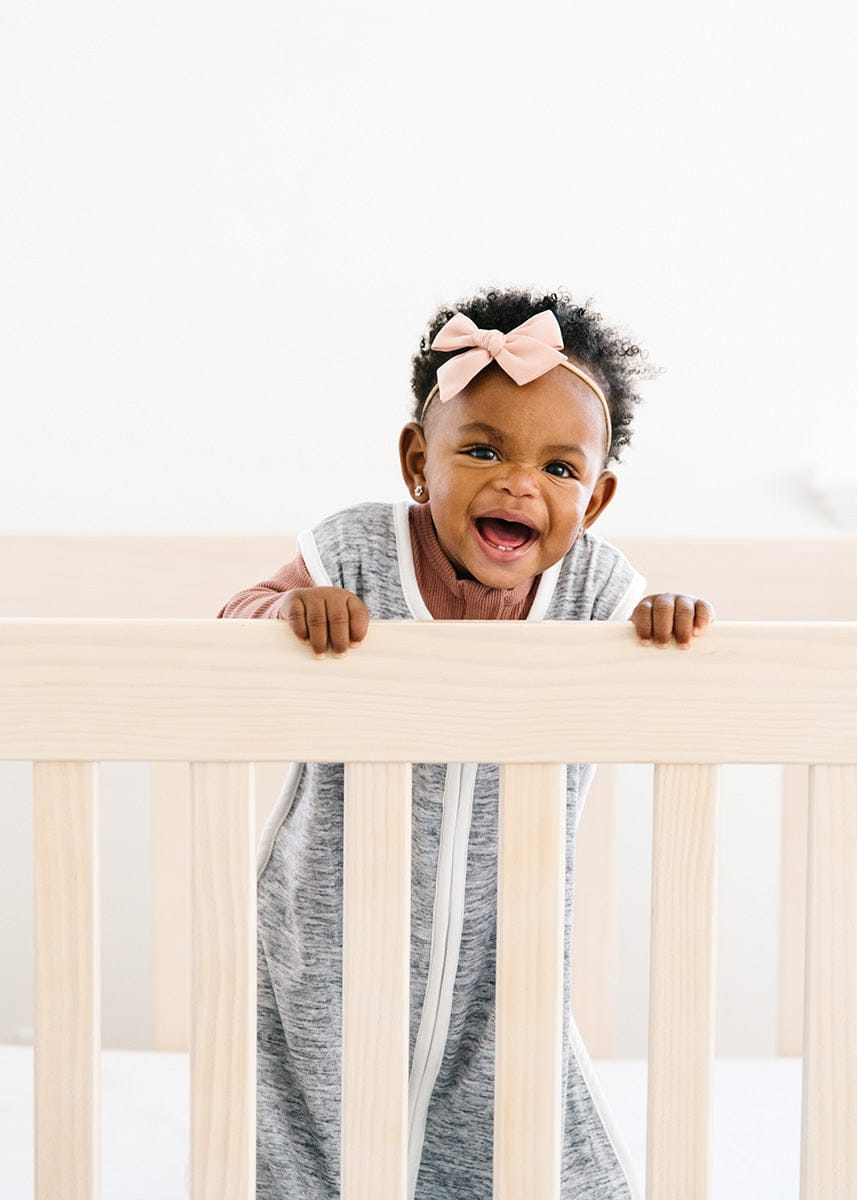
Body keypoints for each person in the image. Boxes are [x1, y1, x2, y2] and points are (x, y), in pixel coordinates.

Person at [218, 286, 715, 1199]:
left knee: (523, 1135)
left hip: (504, 945)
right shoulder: (354, 553)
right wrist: (288, 609)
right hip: (326, 935)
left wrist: (661, 621)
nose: (518, 483)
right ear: (419, 462)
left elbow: (653, 664)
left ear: (595, 499)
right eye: (482, 451)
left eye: (558, 468)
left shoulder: (596, 592)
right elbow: (231, 625)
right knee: (300, 1136)